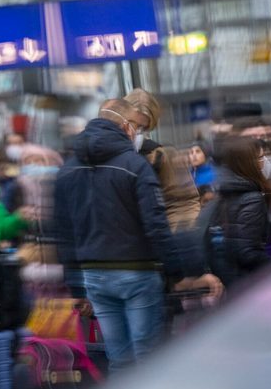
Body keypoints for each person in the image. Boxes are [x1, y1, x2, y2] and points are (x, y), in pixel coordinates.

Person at [53, 100, 206, 371]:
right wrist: (176, 273)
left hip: (94, 276)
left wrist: (75, 286)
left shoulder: (67, 170)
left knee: (119, 360)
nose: (138, 133)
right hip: (137, 272)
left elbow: (64, 232)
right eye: (137, 127)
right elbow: (156, 224)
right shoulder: (134, 165)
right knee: (148, 359)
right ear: (126, 126)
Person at [201, 137, 271, 288]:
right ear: (249, 163)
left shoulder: (223, 193)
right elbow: (246, 252)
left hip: (229, 282)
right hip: (249, 284)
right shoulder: (252, 198)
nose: (266, 162)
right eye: (261, 157)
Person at [125, 89, 202, 231]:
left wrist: (171, 238)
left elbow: (183, 203)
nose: (137, 132)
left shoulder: (162, 155)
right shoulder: (111, 155)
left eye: (143, 127)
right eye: (134, 124)